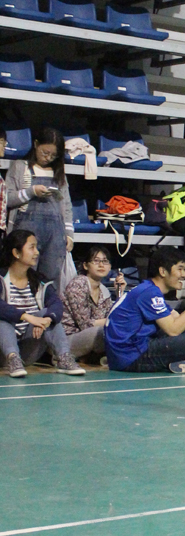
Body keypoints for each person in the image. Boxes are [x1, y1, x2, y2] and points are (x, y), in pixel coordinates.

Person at [105, 245, 185, 374]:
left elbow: (176, 318)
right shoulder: (150, 293)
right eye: (180, 269)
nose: (184, 275)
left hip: (122, 356)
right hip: (131, 357)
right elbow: (173, 330)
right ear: (163, 271)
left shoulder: (148, 288)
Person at [0, 229, 85, 378]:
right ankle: (12, 358)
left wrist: (46, 319)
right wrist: (28, 317)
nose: (37, 252)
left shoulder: (39, 281)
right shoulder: (1, 278)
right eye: (31, 247)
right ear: (16, 253)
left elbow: (56, 304)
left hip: (27, 351)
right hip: (2, 352)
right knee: (3, 320)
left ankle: (64, 358)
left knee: (48, 315)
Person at [5, 127, 73, 285]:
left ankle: (45, 301)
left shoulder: (59, 173)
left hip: (55, 235)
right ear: (36, 144)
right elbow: (7, 198)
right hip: (26, 230)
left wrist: (69, 234)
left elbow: (66, 206)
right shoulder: (19, 167)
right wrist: (31, 192)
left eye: (53, 155)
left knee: (50, 277)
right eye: (45, 153)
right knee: (24, 275)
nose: (48, 158)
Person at [61, 246, 127, 361]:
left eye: (105, 261)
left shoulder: (104, 291)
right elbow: (85, 325)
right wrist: (112, 321)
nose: (101, 265)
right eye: (96, 261)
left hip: (90, 337)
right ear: (85, 265)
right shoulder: (78, 285)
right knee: (105, 332)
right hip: (68, 339)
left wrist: (119, 293)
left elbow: (112, 316)